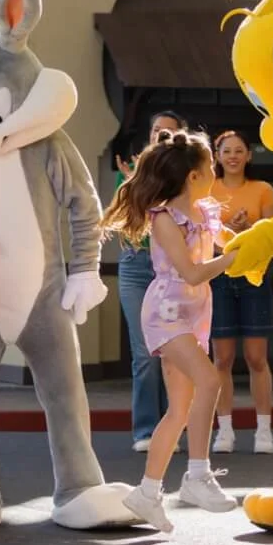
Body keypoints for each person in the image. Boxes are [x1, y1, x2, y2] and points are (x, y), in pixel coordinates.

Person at [103, 129, 241, 532]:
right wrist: (230, 260)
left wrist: (254, 245)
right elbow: (194, 270)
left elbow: (232, 243)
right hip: (167, 313)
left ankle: (146, 492)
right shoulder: (164, 219)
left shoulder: (206, 212)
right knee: (209, 378)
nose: (215, 171)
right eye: (210, 166)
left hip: (195, 313)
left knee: (180, 409)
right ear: (193, 176)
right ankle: (198, 474)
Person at [113, 110, 186, 453]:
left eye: (169, 132)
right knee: (144, 352)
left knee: (169, 351)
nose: (161, 136)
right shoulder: (131, 175)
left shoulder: (185, 179)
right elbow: (122, 224)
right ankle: (145, 430)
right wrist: (133, 190)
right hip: (136, 265)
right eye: (157, 130)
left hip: (171, 268)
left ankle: (170, 428)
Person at [207, 128, 273, 454]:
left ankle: (264, 430)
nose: (233, 156)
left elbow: (272, 236)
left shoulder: (262, 190)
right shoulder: (206, 190)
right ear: (217, 156)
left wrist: (247, 230)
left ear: (249, 155)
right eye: (226, 151)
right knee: (221, 358)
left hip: (253, 276)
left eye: (239, 150)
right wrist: (227, 232)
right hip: (218, 275)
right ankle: (225, 430)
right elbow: (200, 238)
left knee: (256, 357)